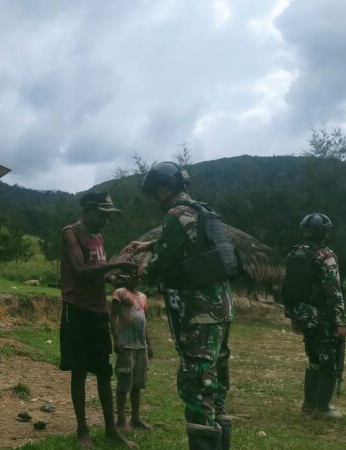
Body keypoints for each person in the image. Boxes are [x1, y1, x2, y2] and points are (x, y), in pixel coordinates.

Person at [124, 162, 234, 450]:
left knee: (196, 384)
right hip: (221, 308)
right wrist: (150, 245)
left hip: (197, 313)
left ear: (162, 188)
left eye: (154, 193)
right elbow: (189, 245)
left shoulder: (175, 215)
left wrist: (134, 269)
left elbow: (158, 265)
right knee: (216, 382)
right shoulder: (203, 210)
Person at [59, 192, 138, 449]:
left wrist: (113, 278)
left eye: (107, 217)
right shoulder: (71, 233)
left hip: (98, 311)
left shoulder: (98, 237)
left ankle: (111, 429)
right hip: (78, 310)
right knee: (79, 370)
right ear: (88, 210)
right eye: (102, 215)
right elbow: (81, 271)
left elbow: (96, 271)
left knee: (104, 370)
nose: (105, 222)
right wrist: (113, 265)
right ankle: (82, 431)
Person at [281, 213, 346, 419]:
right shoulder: (326, 256)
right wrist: (339, 321)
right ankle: (322, 408)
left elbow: (288, 288)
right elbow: (333, 291)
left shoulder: (294, 253)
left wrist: (292, 316)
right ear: (324, 233)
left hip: (302, 314)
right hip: (321, 315)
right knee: (328, 359)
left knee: (314, 358)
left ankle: (309, 403)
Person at [110, 274, 153, 433]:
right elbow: (112, 316)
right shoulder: (119, 293)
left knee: (137, 384)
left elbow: (144, 322)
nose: (137, 279)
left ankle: (135, 417)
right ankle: (121, 419)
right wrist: (116, 339)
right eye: (133, 275)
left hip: (141, 347)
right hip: (126, 345)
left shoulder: (143, 297)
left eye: (139, 276)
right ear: (127, 277)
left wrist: (149, 344)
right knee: (124, 383)